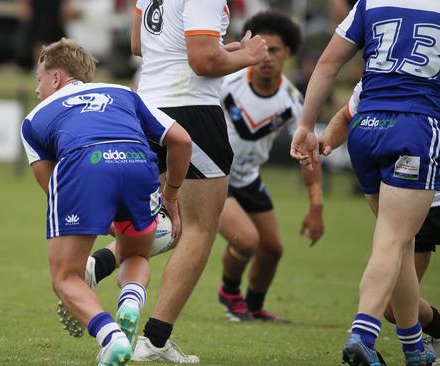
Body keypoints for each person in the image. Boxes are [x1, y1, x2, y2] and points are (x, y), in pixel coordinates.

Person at [20, 38, 193, 365]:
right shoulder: (124, 93)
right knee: (136, 252)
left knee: (66, 277)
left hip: (85, 168)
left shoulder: (34, 120)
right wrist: (170, 194)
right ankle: (129, 303)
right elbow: (181, 140)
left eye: (39, 78)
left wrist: (97, 213)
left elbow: (54, 187)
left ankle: (111, 338)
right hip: (138, 165)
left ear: (56, 78)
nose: (36, 89)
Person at [290, 0, 439, 364]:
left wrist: (307, 125)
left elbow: (327, 63)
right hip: (415, 127)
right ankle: (363, 334)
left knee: (397, 243)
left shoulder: (370, 2)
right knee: (392, 240)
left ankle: (414, 348)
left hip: (366, 127)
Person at [128, 0, 267, 362]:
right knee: (199, 229)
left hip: (148, 106)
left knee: (167, 221)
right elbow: (202, 62)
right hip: (190, 110)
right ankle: (155, 340)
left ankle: (101, 265)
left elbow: (139, 45)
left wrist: (222, 52)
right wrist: (248, 56)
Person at [215, 11, 324, 323]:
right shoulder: (228, 83)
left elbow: (307, 153)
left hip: (248, 178)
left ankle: (254, 306)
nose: (265, 57)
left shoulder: (292, 99)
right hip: (215, 178)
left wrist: (316, 206)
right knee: (247, 241)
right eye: (260, 49)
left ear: (288, 53)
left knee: (273, 249)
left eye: (274, 50)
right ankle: (230, 293)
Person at [321, 82, 440, 359]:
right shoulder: (380, 75)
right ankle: (416, 347)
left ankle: (378, 340)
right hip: (412, 196)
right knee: (392, 309)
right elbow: (345, 115)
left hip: (423, 188)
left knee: (391, 245)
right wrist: (324, 143)